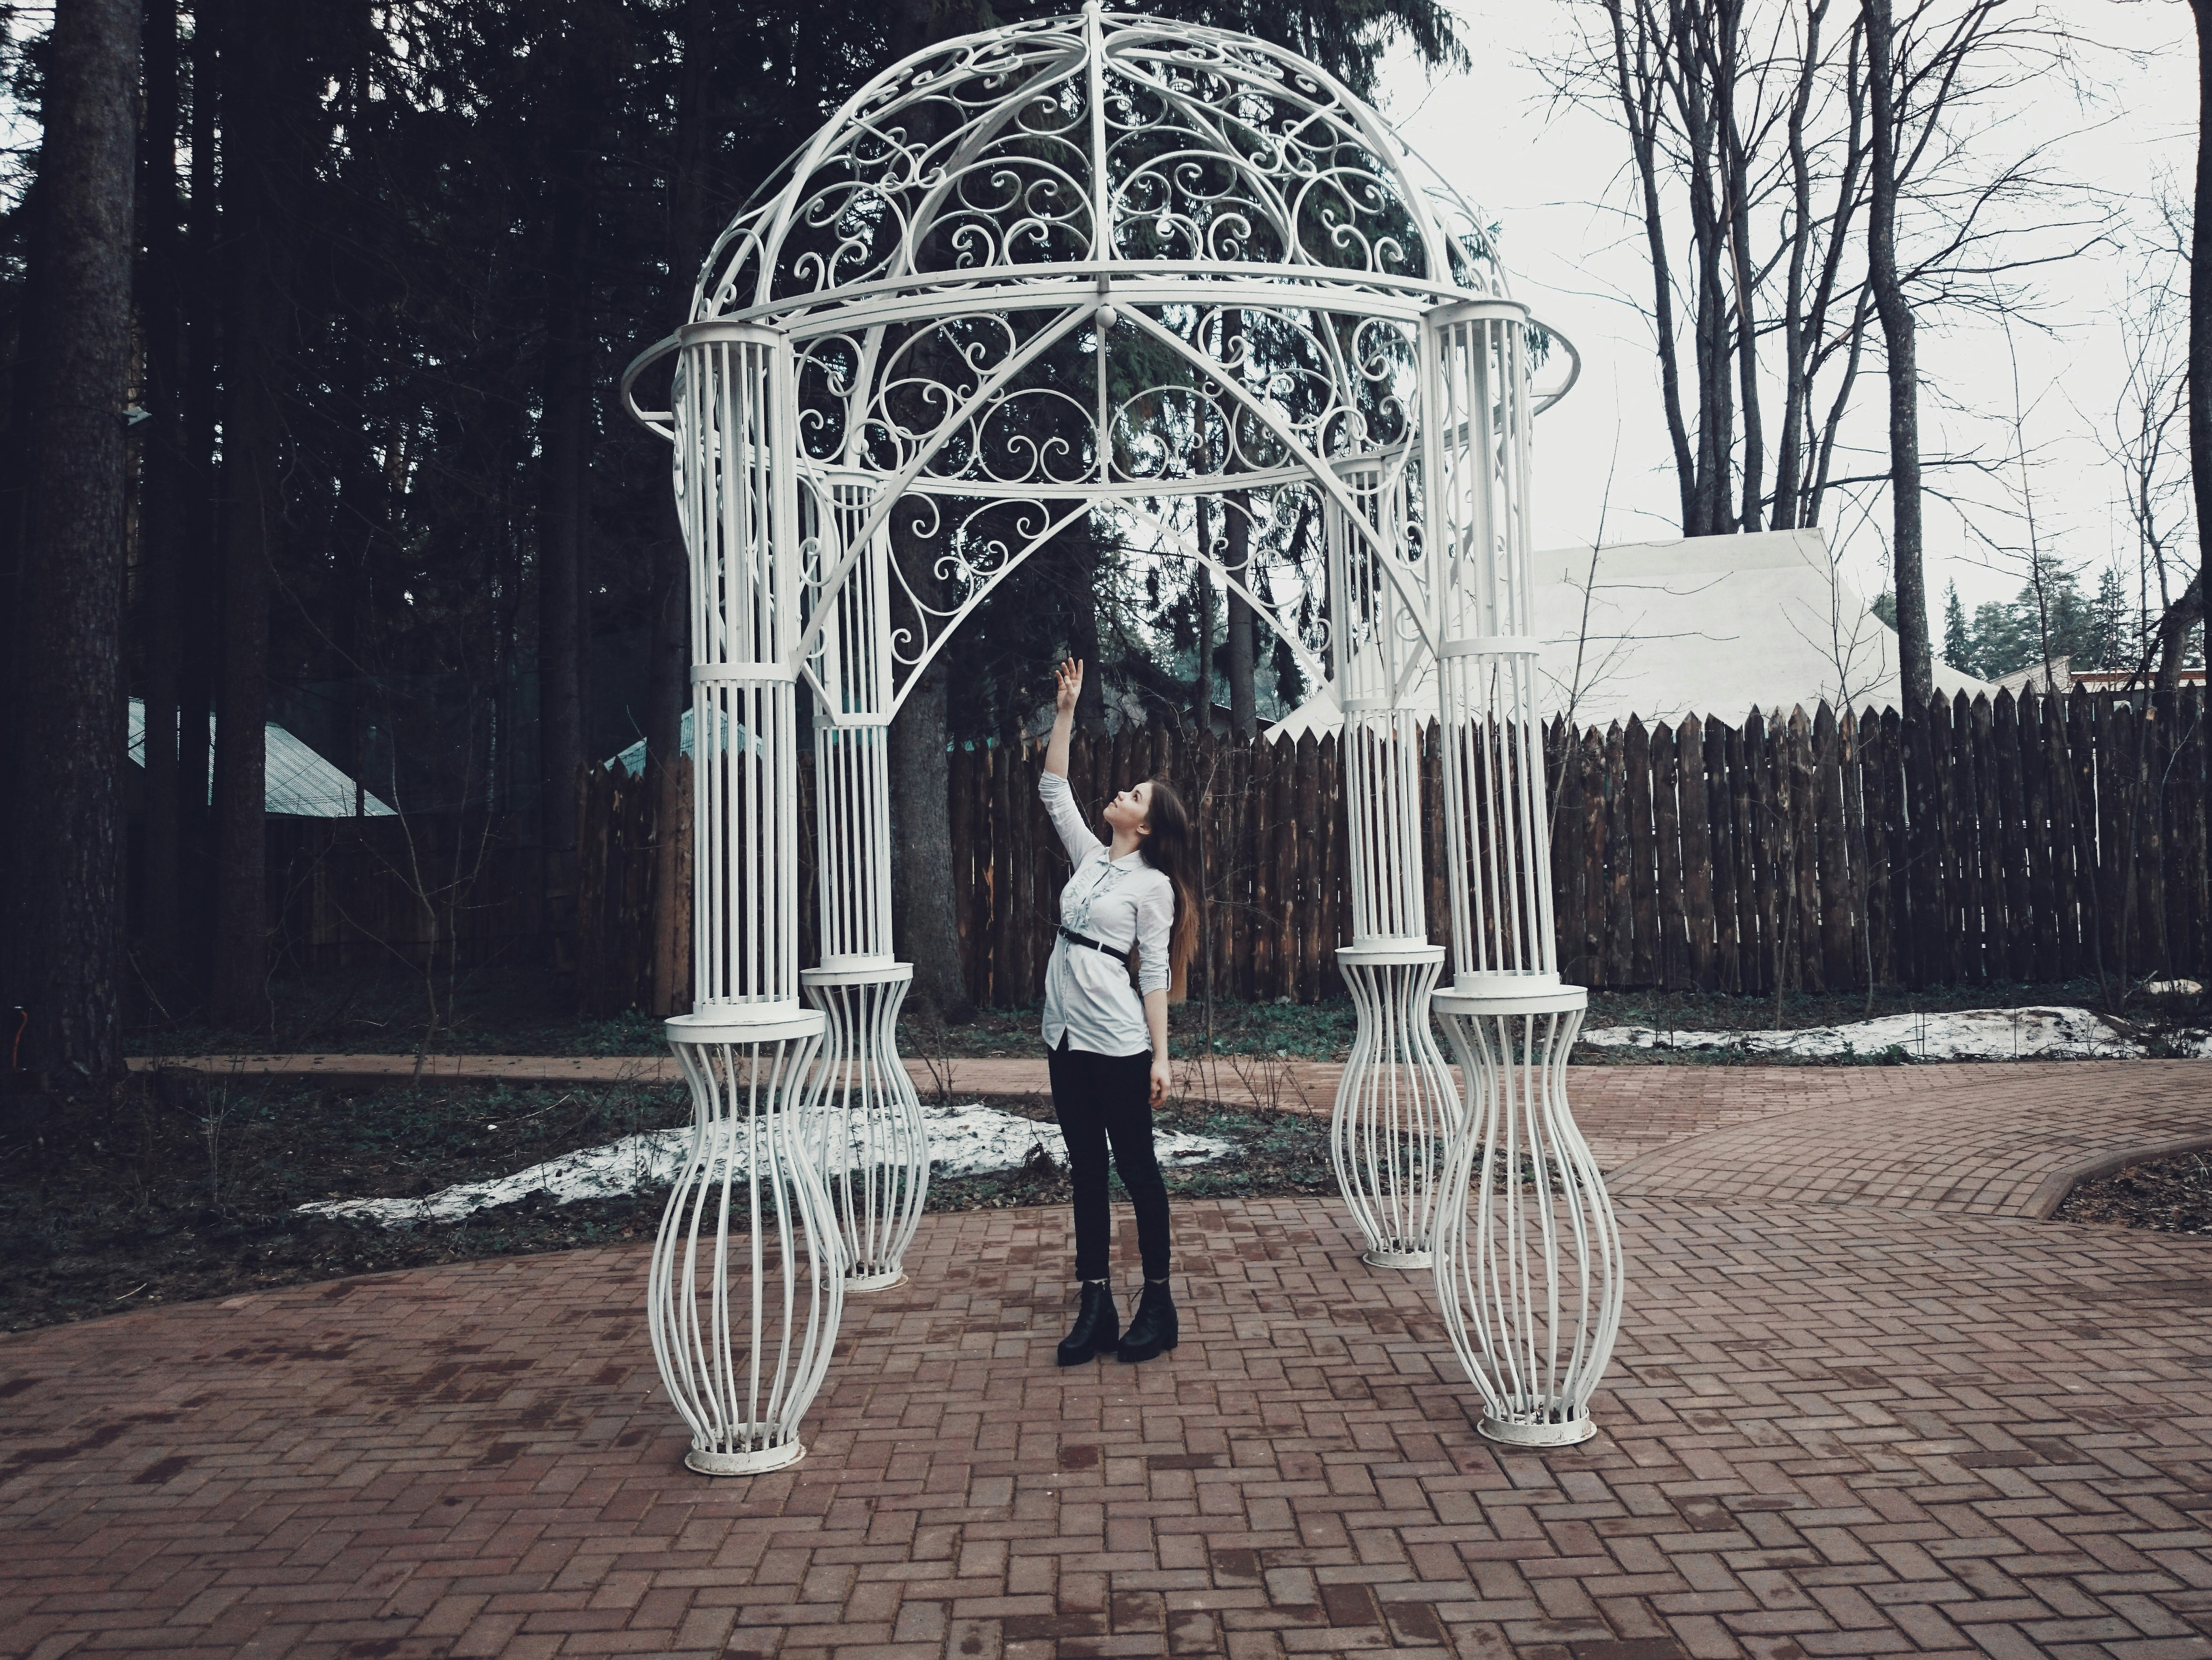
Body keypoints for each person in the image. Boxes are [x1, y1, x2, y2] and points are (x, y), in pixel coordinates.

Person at [1038, 657, 1199, 1366]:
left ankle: (1158, 1305)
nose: (1122, 793)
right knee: (1085, 1168)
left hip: (1118, 1041)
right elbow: (1053, 788)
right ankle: (1096, 1302)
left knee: (1136, 1168)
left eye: (1135, 795)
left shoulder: (1153, 886)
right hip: (1065, 1036)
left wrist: (1162, 1057)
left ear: (1148, 825)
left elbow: (1155, 973)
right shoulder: (1089, 857)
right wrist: (1065, 712)